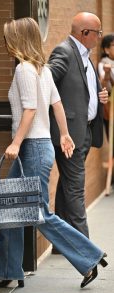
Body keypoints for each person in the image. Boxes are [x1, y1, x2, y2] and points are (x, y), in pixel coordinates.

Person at [0, 17, 108, 290]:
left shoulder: (24, 70)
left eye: (8, 37)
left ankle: (89, 256)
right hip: (36, 148)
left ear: (18, 39)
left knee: (37, 212)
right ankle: (7, 270)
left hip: (31, 147)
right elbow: (57, 104)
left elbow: (30, 110)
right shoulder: (40, 69)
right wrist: (64, 134)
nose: (4, 42)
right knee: (11, 209)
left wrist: (16, 143)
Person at [48, 12, 109, 245]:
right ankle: (86, 251)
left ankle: (61, 244)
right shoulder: (63, 51)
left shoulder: (85, 54)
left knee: (67, 186)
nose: (100, 38)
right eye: (98, 32)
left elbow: (82, 89)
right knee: (75, 189)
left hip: (84, 132)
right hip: (69, 136)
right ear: (85, 33)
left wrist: (98, 95)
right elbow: (47, 82)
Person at [98, 33, 114, 138]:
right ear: (106, 49)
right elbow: (105, 85)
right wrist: (108, 73)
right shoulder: (103, 64)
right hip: (111, 105)